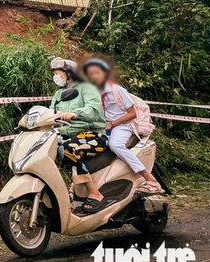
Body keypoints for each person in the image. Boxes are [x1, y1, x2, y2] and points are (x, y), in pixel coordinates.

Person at [82, 58, 163, 194]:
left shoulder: (117, 90)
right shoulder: (93, 93)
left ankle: (149, 178)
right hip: (103, 126)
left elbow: (132, 114)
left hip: (122, 125)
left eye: (97, 72)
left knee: (115, 145)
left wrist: (113, 124)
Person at [49, 57, 110, 213]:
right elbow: (50, 113)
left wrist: (75, 113)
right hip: (68, 134)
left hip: (93, 135)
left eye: (58, 73)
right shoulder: (58, 94)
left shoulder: (87, 88)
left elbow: (94, 111)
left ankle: (94, 193)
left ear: (70, 73)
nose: (56, 76)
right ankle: (68, 191)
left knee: (70, 149)